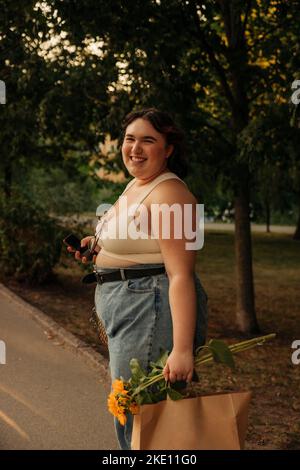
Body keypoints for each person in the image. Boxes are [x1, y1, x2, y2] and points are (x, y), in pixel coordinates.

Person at [67, 108, 208, 450]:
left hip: (150, 307)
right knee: (133, 415)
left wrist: (182, 350)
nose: (135, 148)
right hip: (130, 306)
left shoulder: (171, 194)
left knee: (143, 423)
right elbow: (135, 240)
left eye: (148, 140)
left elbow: (180, 275)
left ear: (168, 148)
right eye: (130, 139)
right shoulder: (137, 185)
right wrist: (95, 247)